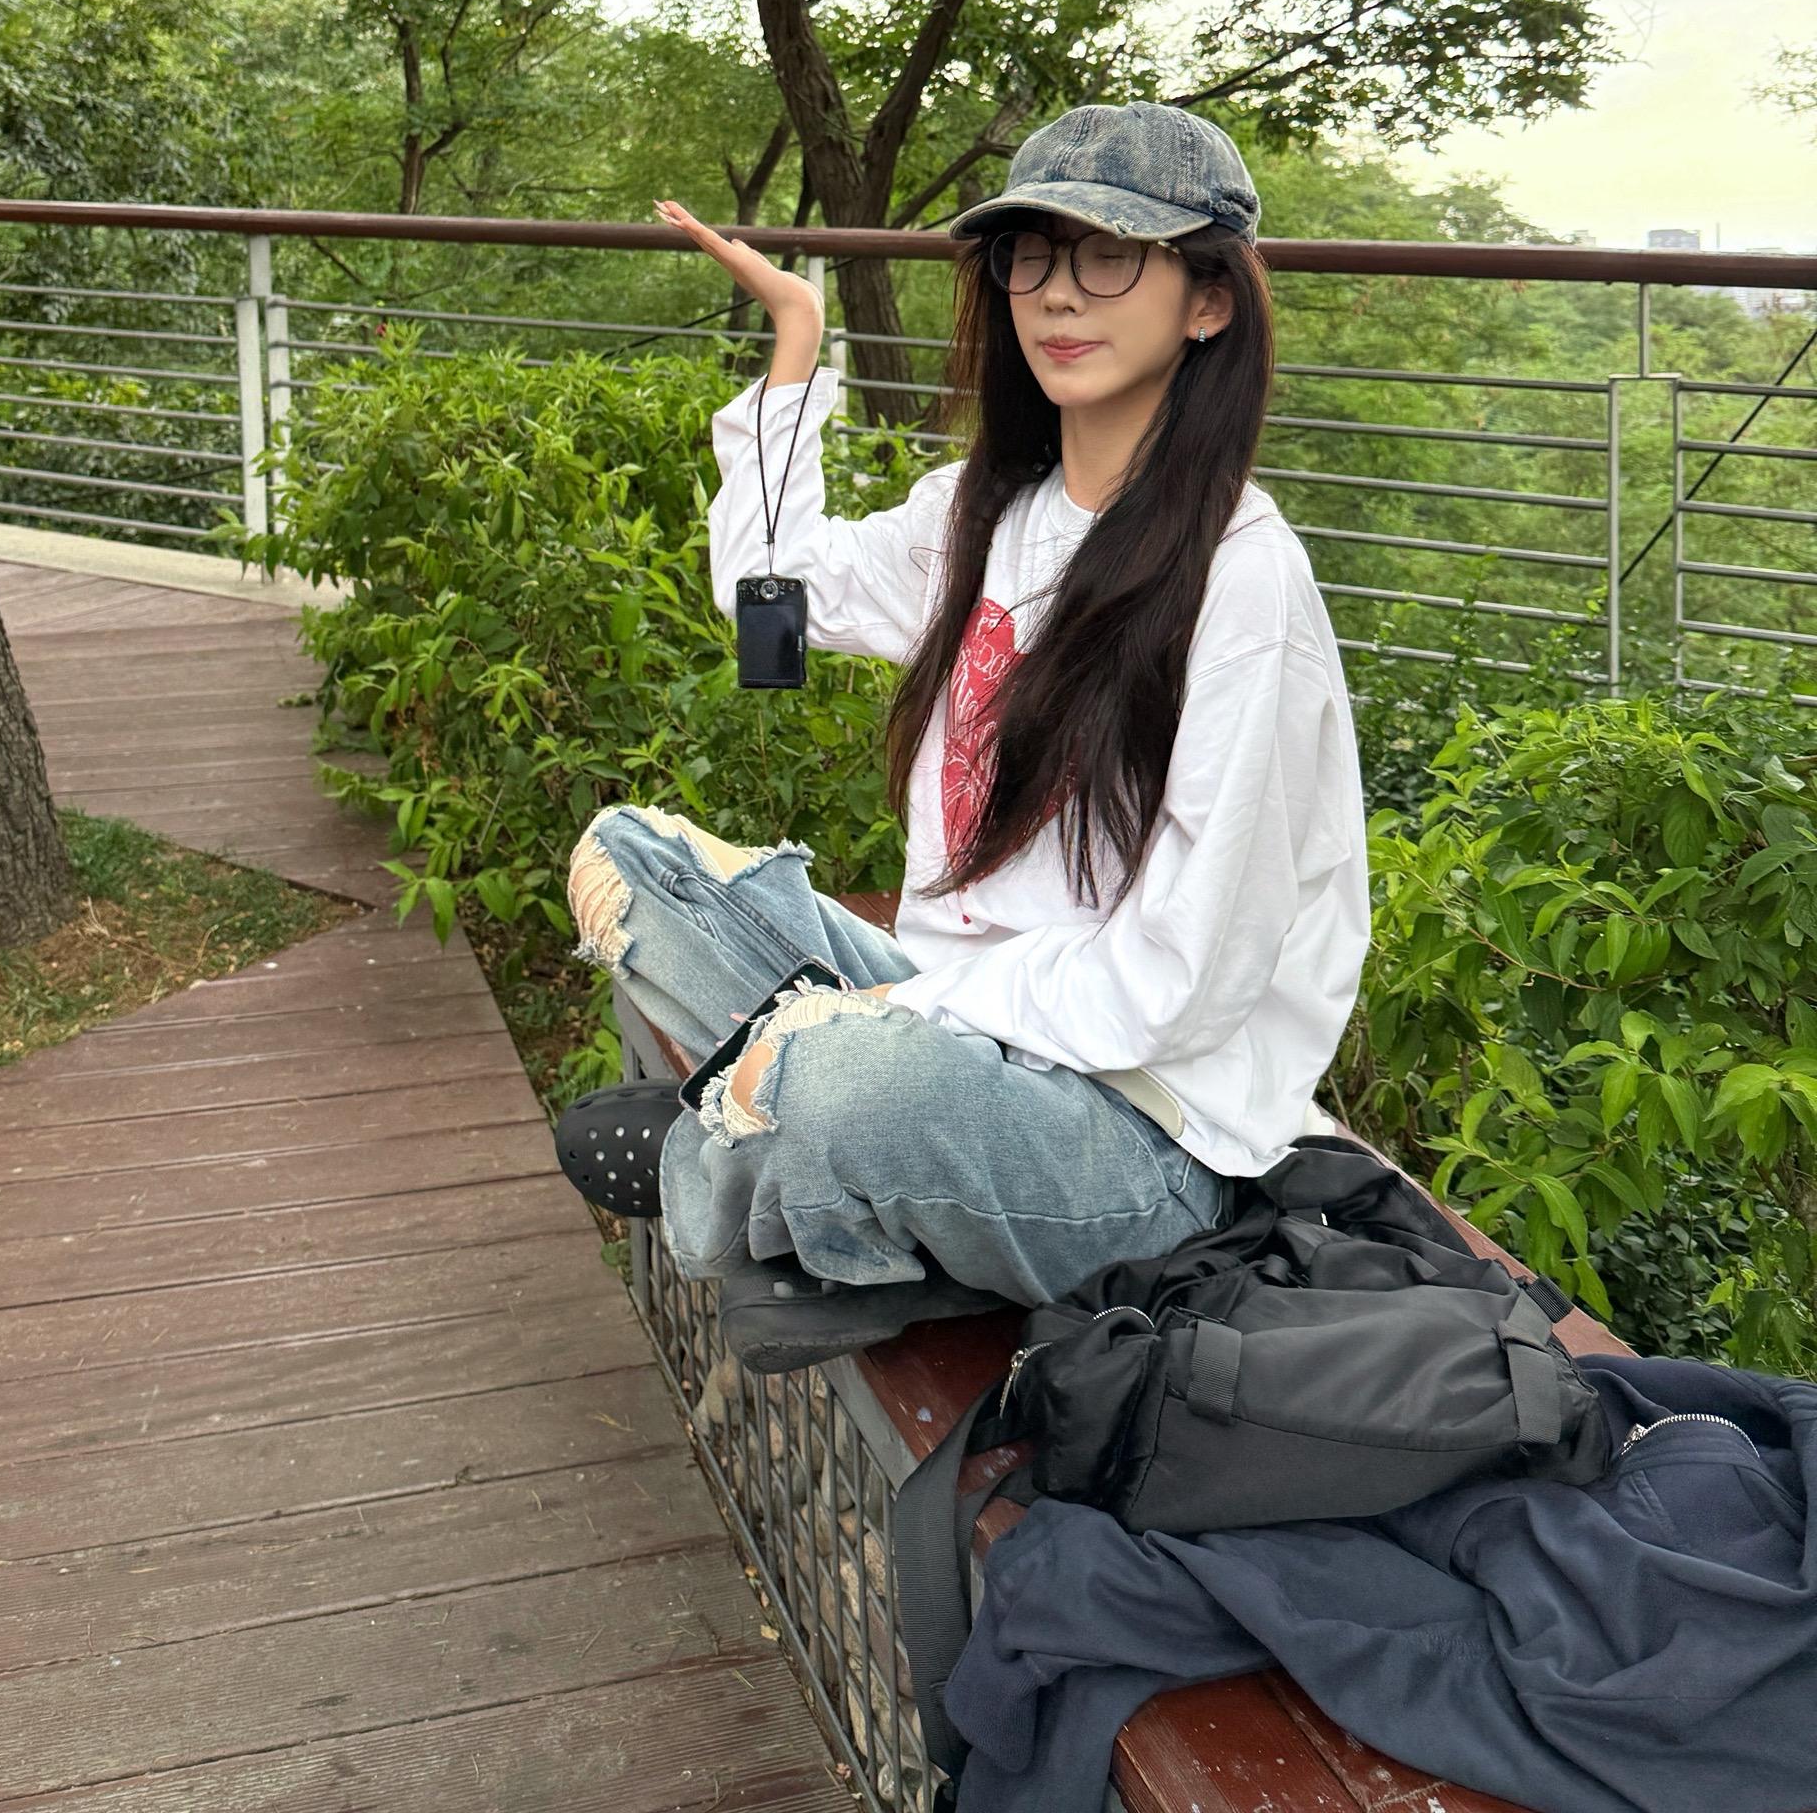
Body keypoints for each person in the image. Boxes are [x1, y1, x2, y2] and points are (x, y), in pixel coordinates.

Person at [558, 102, 1370, 1368]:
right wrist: (796, 341)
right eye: (1029, 257)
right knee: (636, 862)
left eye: (1110, 255)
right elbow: (770, 600)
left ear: (1209, 302)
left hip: (1140, 1135)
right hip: (955, 1029)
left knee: (849, 1084)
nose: (1059, 293)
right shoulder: (986, 515)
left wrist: (892, 1023)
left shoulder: (1242, 582)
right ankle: (827, 1175)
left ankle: (732, 1170)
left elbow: (1185, 984)